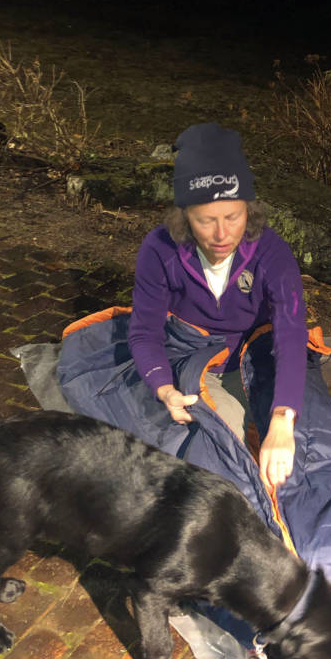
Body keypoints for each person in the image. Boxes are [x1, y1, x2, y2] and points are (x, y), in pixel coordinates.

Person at [127, 123, 307, 490]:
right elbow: (145, 332)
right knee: (221, 457)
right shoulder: (159, 249)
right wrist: (164, 388)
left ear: (249, 210)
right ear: (184, 217)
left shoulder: (272, 252)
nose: (222, 235)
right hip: (192, 358)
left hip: (255, 355)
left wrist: (283, 417)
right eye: (206, 221)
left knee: (305, 453)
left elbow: (291, 332)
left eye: (233, 217)